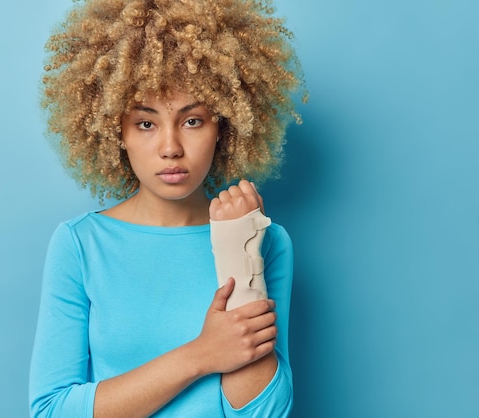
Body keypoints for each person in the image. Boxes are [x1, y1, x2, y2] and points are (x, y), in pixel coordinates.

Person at [29, 0, 304, 416]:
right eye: (146, 123)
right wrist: (202, 355)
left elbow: (263, 413)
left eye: (193, 121)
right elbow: (51, 410)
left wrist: (237, 247)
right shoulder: (80, 244)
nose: (171, 147)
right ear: (114, 130)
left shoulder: (262, 237)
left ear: (223, 127)